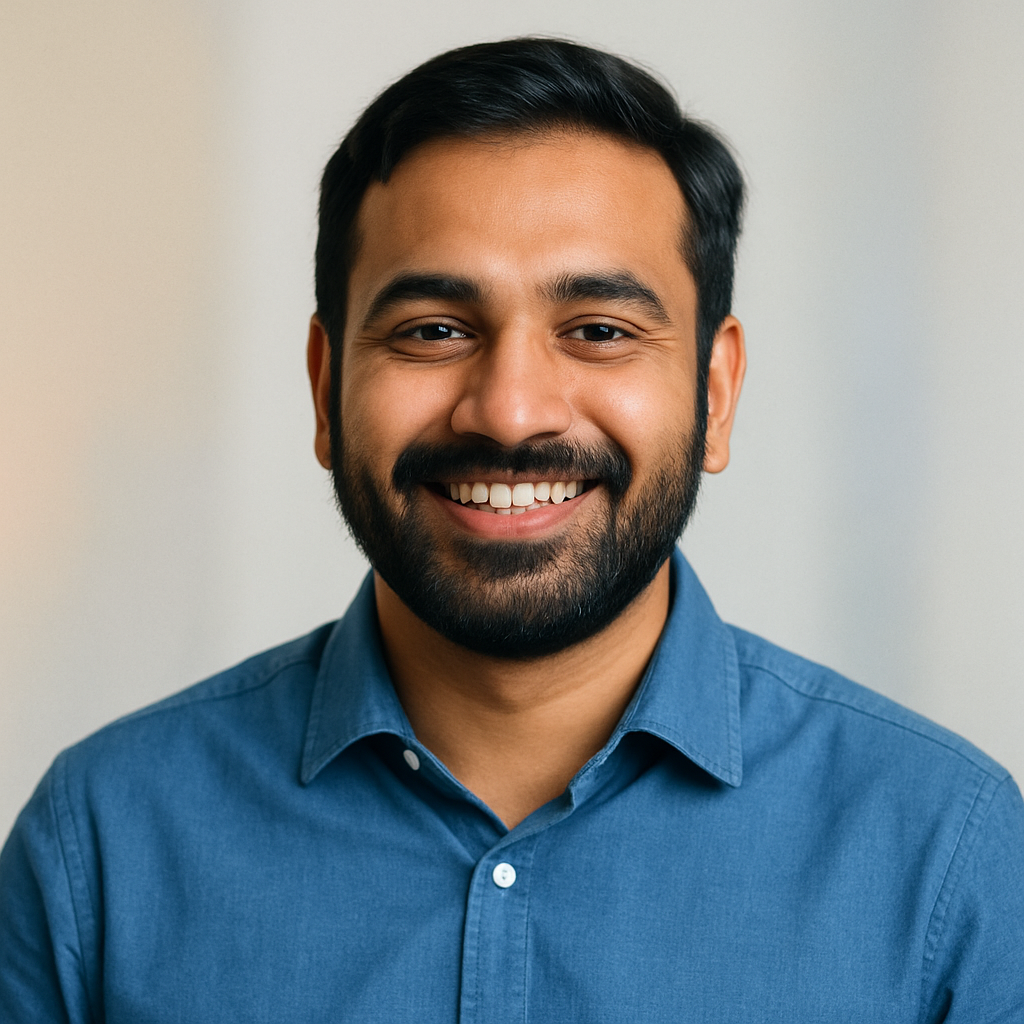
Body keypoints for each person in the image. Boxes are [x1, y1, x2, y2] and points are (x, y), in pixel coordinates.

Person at [1, 37, 1022, 1023]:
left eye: (599, 331)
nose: (510, 408)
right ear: (325, 388)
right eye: (434, 330)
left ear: (714, 394)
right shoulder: (101, 843)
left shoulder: (947, 850)